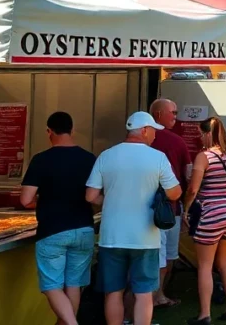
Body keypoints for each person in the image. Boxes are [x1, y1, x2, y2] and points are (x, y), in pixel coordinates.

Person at [85, 112, 181, 325]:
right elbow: (175, 193)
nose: (155, 135)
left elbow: (90, 196)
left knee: (113, 292)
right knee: (144, 293)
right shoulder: (158, 157)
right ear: (145, 130)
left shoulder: (106, 155)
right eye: (153, 131)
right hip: (145, 237)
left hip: (112, 236)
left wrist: (110, 200)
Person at [20, 112, 97, 325]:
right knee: (73, 284)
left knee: (52, 286)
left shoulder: (41, 159)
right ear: (72, 130)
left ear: (49, 132)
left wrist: (44, 201)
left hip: (52, 230)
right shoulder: (89, 158)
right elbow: (95, 196)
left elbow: (25, 199)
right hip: (84, 228)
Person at [182, 116, 226, 324]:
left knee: (205, 266)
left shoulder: (204, 157)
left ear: (207, 134)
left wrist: (186, 209)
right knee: (224, 262)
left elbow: (193, 189)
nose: (199, 138)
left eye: (200, 134)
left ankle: (205, 314)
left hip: (212, 215)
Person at [149, 98, 190, 310]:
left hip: (143, 209)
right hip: (170, 209)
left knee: (153, 256)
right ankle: (157, 296)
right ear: (158, 114)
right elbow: (188, 175)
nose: (176, 116)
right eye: (172, 112)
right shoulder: (176, 141)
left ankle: (154, 296)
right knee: (168, 255)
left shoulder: (138, 141)